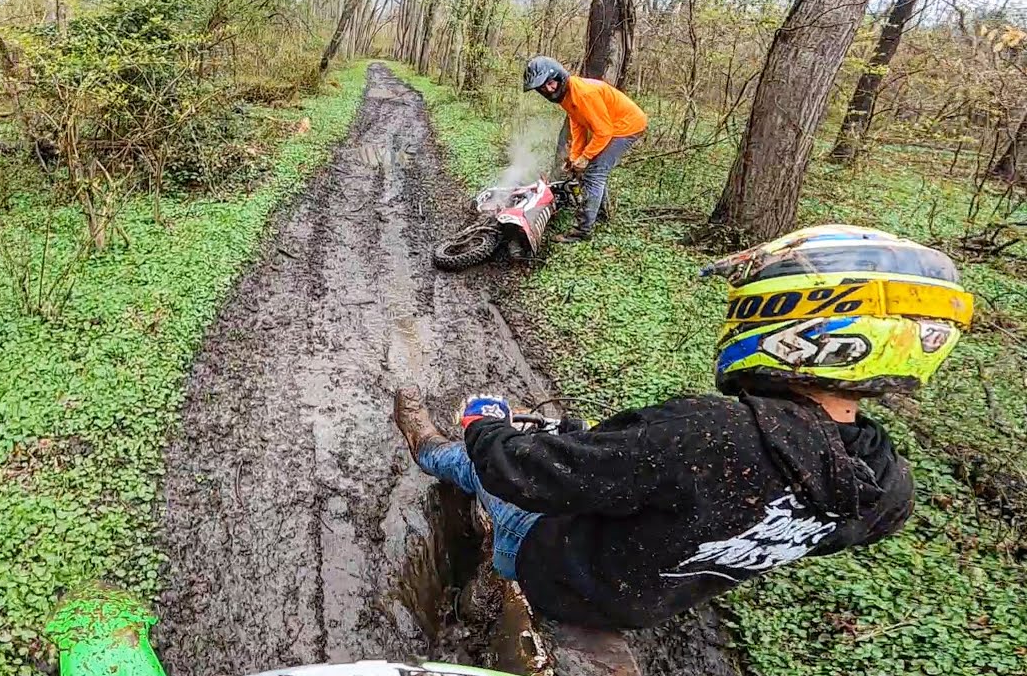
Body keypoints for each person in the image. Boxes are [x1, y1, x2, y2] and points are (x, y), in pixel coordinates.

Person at [392, 225, 973, 630]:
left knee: (483, 472)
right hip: (652, 598)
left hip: (556, 567)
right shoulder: (886, 486)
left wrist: (484, 428)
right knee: (584, 445)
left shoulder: (707, 432)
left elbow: (527, 473)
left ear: (797, 322)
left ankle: (442, 477)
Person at [522, 55, 647, 243]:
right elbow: (578, 126)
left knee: (594, 174)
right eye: (543, 88)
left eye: (551, 83)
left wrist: (586, 157)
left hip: (626, 127)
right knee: (592, 171)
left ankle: (582, 231)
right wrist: (574, 158)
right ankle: (601, 214)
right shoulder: (568, 96)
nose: (549, 89)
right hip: (612, 127)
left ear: (558, 76)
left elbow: (604, 132)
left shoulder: (584, 93)